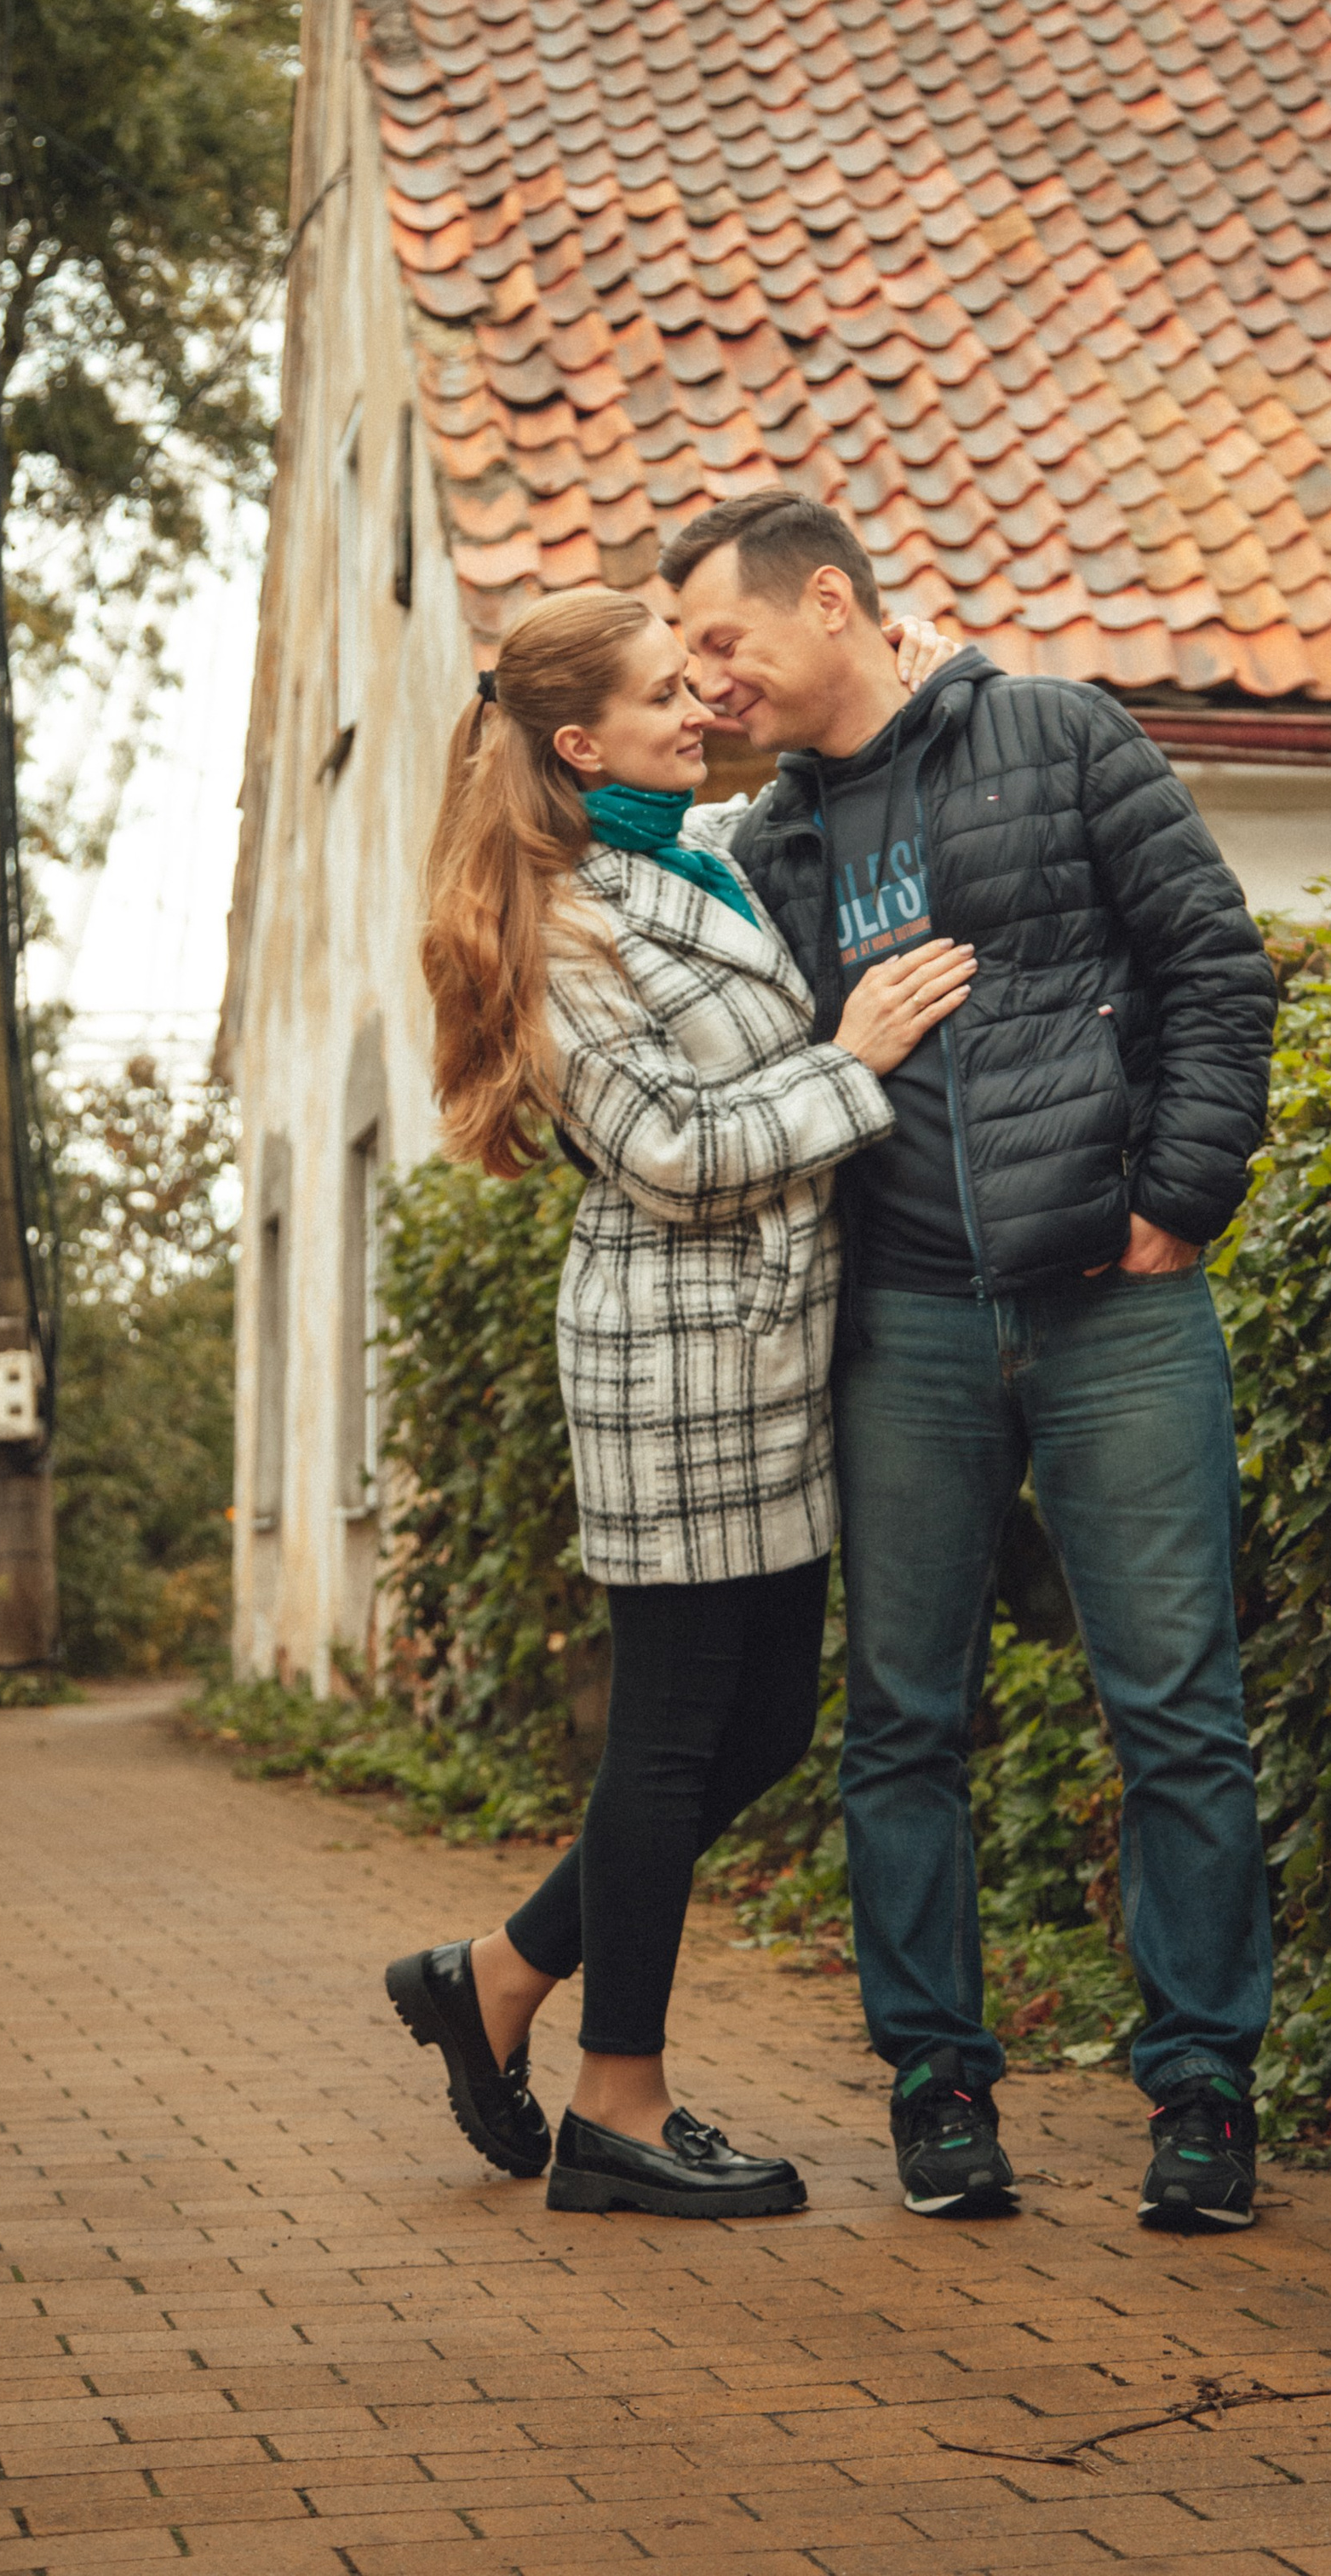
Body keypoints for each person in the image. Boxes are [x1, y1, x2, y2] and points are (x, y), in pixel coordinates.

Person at [666, 491, 1279, 2233]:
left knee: (1175, 1708)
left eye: (724, 638)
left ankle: (1203, 2098)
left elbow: (1213, 969)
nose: (705, 677)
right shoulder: (762, 846)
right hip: (905, 1325)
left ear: (835, 606)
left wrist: (1179, 1198)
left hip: (1112, 1301)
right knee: (901, 1722)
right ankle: (936, 2081)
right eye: (687, 653)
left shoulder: (1056, 734)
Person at [384, 586, 973, 2219]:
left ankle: (499, 1974)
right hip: (676, 1360)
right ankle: (618, 2102)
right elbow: (673, 1151)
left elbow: (773, 785)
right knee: (667, 1732)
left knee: (768, 1721)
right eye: (666, 689)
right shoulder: (560, 916)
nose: (702, 699)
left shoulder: (669, 855)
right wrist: (855, 1059)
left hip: (764, 1351)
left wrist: (896, 683)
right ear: (582, 745)